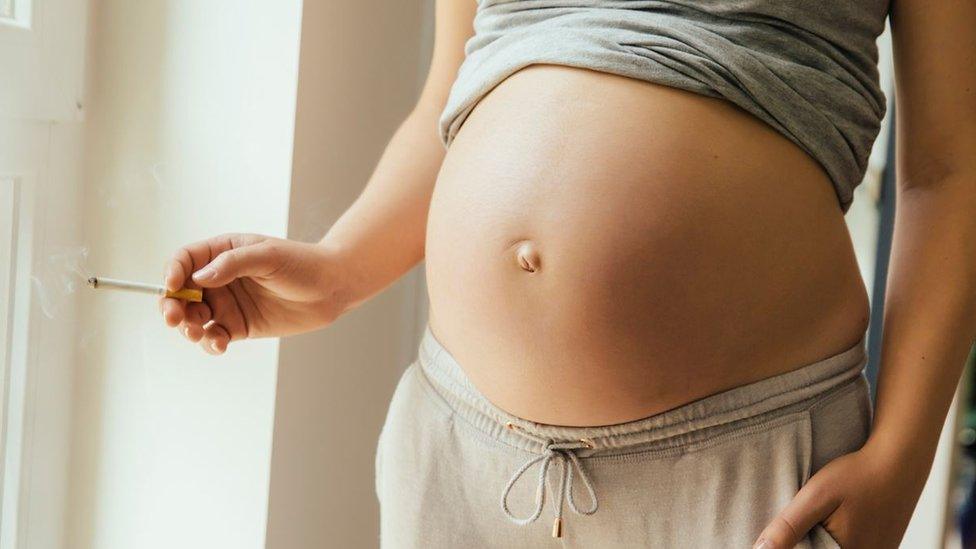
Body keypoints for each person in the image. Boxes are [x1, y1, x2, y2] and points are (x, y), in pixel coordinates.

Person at [159, 1, 976, 547]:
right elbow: (456, 91)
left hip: (751, 478)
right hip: (462, 461)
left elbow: (947, 169)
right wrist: (337, 269)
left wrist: (902, 455)